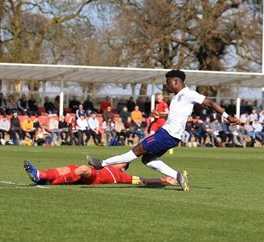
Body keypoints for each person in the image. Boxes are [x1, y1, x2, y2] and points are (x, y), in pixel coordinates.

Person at [88, 70, 239, 191]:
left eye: (168, 83)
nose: (166, 86)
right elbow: (177, 113)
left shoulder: (188, 93)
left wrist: (227, 116)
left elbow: (210, 102)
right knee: (147, 159)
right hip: (171, 135)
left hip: (167, 134)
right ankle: (178, 176)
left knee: (136, 151)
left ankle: (102, 163)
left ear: (176, 82)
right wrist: (161, 114)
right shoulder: (177, 98)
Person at [23, 160, 178, 187]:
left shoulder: (122, 176)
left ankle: (52, 183)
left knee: (82, 169)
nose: (119, 161)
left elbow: (143, 181)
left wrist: (164, 179)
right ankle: (40, 175)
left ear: (123, 168)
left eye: (123, 161)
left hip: (94, 178)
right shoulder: (106, 163)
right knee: (69, 168)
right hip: (90, 173)